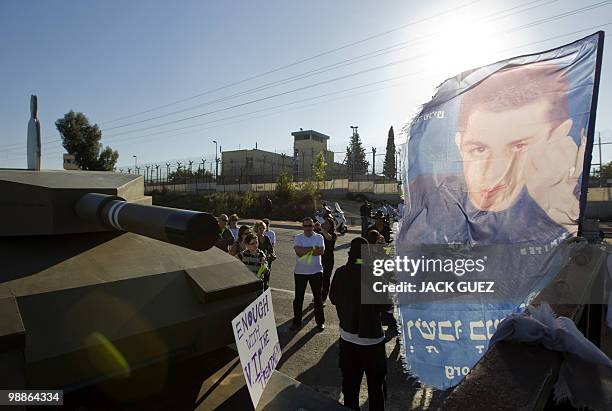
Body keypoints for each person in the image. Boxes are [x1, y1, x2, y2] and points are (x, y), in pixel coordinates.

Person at [330, 237, 390, 411]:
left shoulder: (341, 273)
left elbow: (333, 298)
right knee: (375, 388)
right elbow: (387, 305)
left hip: (348, 339)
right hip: (371, 341)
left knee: (350, 387)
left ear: (349, 254)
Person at [292, 217, 325, 332]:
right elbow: (299, 253)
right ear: (303, 226)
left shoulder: (319, 237)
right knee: (298, 299)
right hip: (300, 272)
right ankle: (297, 322)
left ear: (313, 226)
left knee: (318, 298)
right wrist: (313, 249)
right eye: (306, 226)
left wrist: (305, 249)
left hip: (316, 272)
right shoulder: (298, 237)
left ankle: (320, 322)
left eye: (310, 226)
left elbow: (320, 251)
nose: (308, 228)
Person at [320, 217, 338, 305]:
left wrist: (322, 229)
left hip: (328, 260)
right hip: (319, 258)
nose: (325, 225)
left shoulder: (333, 235)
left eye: (327, 224)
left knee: (326, 279)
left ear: (331, 225)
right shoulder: (319, 233)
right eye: (324, 223)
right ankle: (317, 296)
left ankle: (323, 298)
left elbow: (329, 238)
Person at [253, 220, 275, 285]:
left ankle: (265, 290)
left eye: (263, 228)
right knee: (258, 278)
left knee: (266, 278)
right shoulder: (254, 238)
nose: (262, 230)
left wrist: (273, 255)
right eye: (260, 228)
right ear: (256, 229)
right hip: (257, 261)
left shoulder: (267, 238)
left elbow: (270, 249)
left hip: (266, 261)